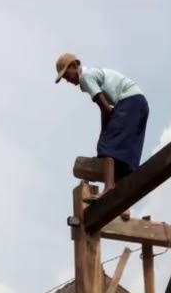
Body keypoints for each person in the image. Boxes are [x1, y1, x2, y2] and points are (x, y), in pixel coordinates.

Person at [55, 53, 150, 193]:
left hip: (128, 101)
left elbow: (105, 108)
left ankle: (109, 187)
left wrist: (103, 140)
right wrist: (104, 131)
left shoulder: (85, 77)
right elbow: (105, 108)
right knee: (127, 151)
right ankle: (124, 187)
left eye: (67, 75)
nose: (67, 80)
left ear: (75, 66)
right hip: (140, 104)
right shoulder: (93, 73)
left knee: (107, 147)